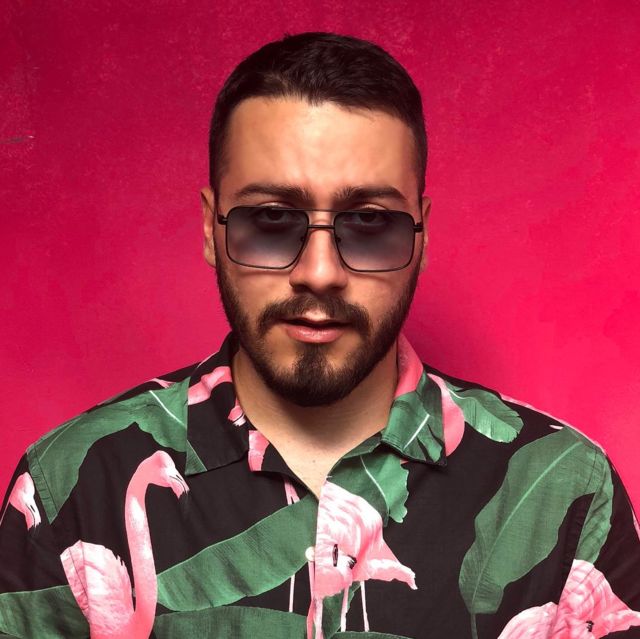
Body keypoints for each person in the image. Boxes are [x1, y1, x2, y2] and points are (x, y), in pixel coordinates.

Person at [0, 32, 639, 639]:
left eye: (370, 223)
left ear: (421, 235)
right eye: (271, 220)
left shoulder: (565, 489)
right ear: (210, 229)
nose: (320, 273)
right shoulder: (68, 489)